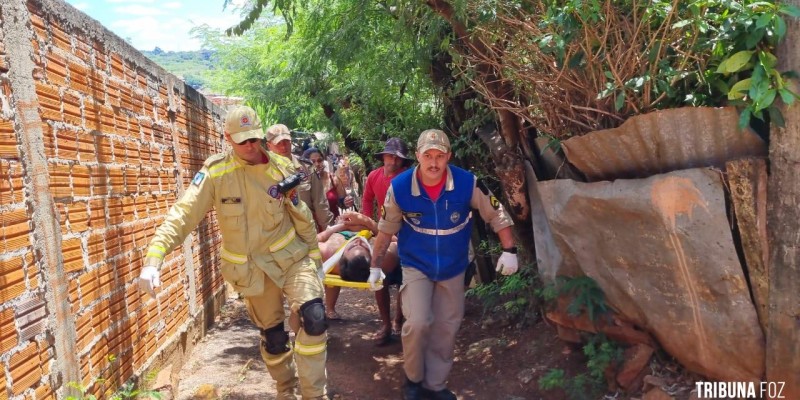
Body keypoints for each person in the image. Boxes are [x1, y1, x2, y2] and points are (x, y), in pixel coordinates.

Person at [138, 106, 330, 400]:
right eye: (243, 141)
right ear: (227, 138)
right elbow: (183, 214)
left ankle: (315, 395)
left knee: (315, 317)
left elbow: (302, 217)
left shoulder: (283, 169)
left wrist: (316, 261)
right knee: (275, 338)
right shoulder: (216, 173)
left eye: (255, 138)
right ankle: (286, 390)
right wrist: (155, 257)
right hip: (253, 270)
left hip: (292, 259)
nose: (251, 146)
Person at [369, 129, 519, 400]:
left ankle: (434, 386)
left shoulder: (466, 182)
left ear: (449, 156)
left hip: (453, 266)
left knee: (447, 325)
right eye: (428, 156)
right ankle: (413, 382)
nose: (434, 162)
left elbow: (495, 213)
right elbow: (385, 229)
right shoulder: (400, 187)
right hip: (416, 265)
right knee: (417, 321)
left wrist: (510, 250)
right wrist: (375, 266)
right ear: (417, 156)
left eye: (440, 156)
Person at [360, 137, 412, 344]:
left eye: (397, 157)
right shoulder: (374, 176)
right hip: (383, 230)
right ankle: (385, 324)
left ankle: (399, 319)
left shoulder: (408, 177)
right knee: (378, 273)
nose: (393, 160)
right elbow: (367, 199)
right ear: (383, 157)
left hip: (407, 232)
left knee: (403, 278)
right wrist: (368, 222)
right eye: (390, 155)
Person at [315, 212, 399, 319]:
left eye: (353, 247)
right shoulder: (385, 258)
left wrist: (339, 227)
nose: (358, 241)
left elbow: (311, 241)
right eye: (363, 247)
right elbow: (396, 241)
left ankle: (329, 308)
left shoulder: (327, 252)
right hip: (369, 230)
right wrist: (368, 223)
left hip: (340, 231)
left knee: (330, 271)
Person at [267, 124, 334, 232]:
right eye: (278, 143)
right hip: (279, 234)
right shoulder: (263, 172)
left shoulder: (307, 168)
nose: (283, 147)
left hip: (307, 230)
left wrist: (329, 229)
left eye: (286, 142)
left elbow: (319, 202)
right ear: (269, 146)